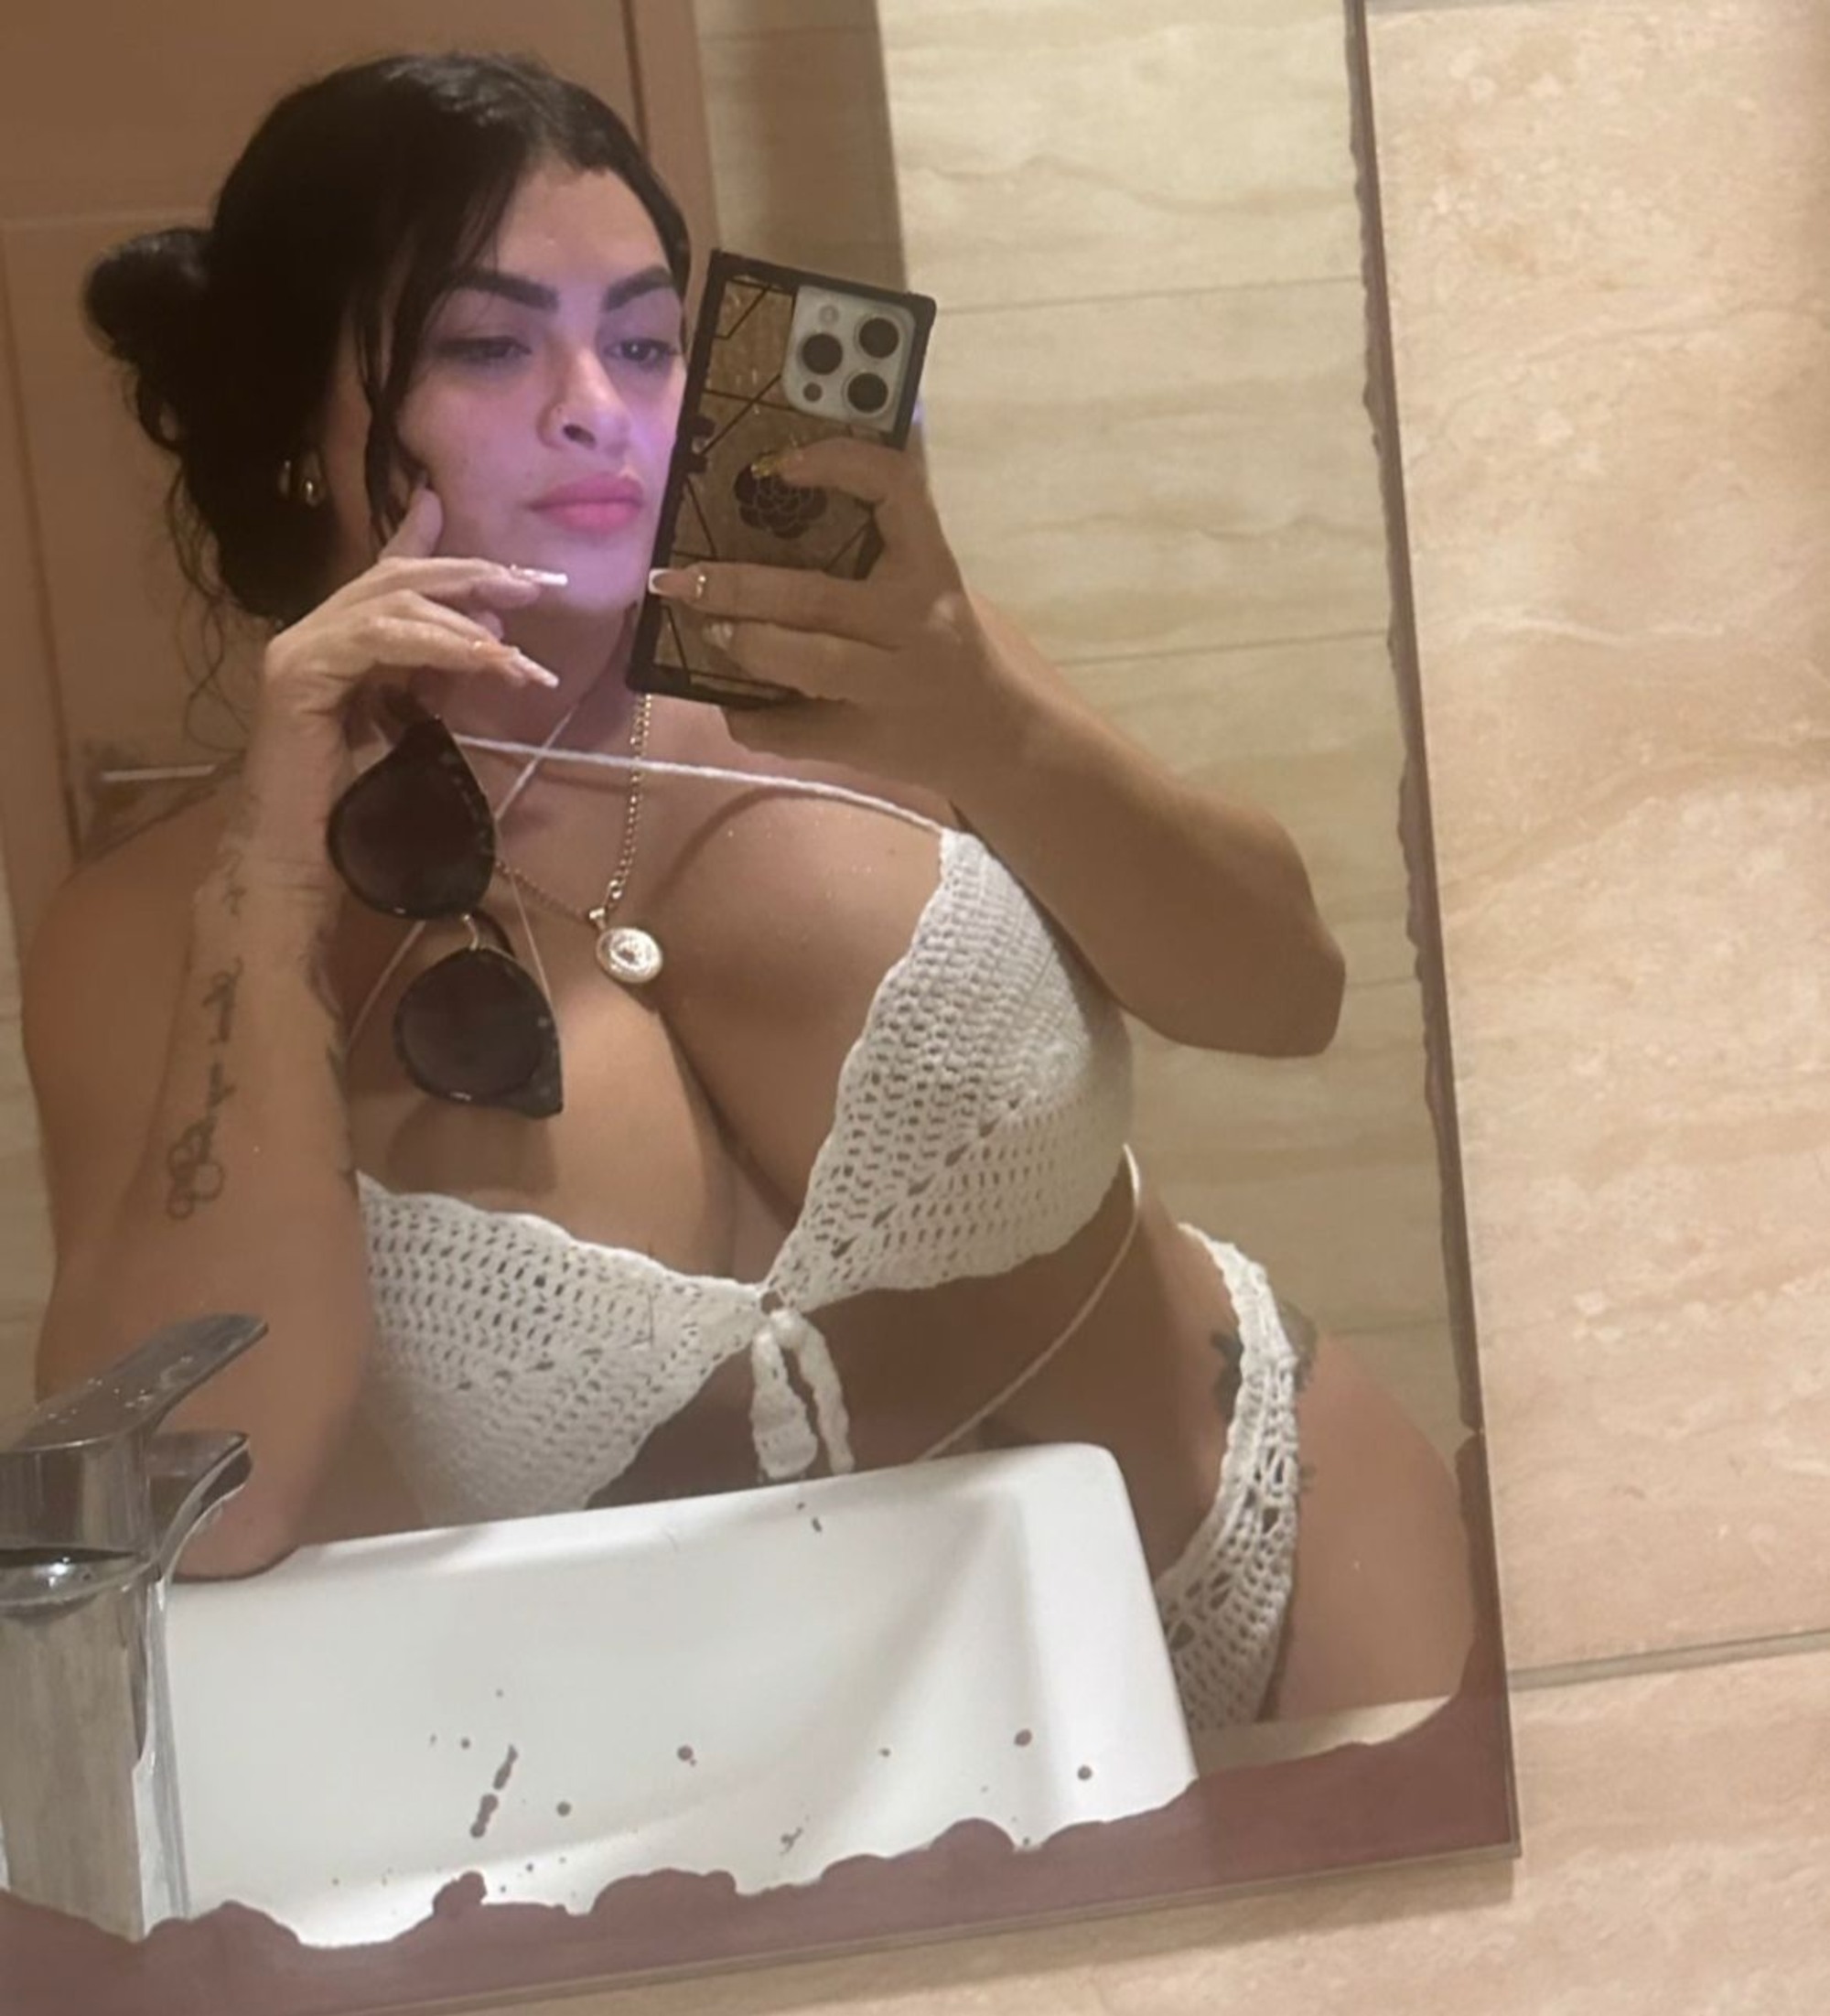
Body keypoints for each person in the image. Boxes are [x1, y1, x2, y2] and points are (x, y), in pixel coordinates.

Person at [20, 52, 1471, 1740]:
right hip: (774, 1774)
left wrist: (987, 723)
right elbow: (208, 1505)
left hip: (1278, 1559)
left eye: (646, 341)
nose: (598, 404)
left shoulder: (881, 673)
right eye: (489, 345)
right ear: (299, 433)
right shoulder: (159, 923)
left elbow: (1288, 995)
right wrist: (272, 884)